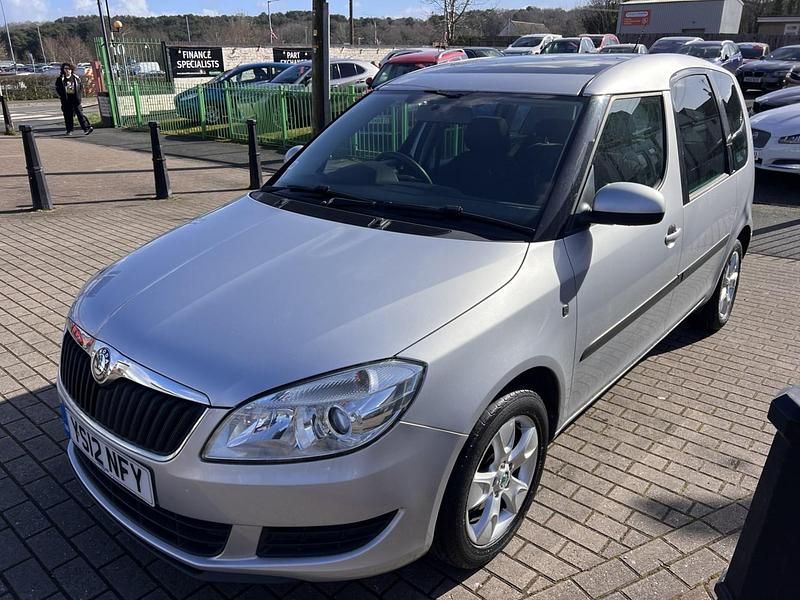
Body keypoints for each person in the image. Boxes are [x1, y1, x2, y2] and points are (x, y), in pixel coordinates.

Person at [55, 63, 93, 136]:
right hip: (66, 100)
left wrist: (79, 96)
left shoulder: (76, 78)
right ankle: (69, 130)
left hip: (75, 99)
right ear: (63, 70)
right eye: (65, 68)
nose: (67, 70)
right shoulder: (60, 79)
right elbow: (58, 89)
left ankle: (86, 128)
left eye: (69, 69)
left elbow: (80, 87)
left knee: (80, 113)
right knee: (68, 115)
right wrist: (61, 96)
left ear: (72, 69)